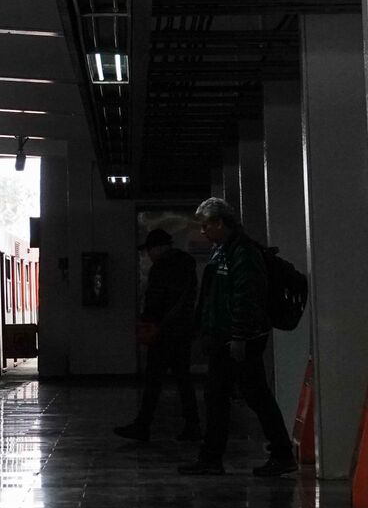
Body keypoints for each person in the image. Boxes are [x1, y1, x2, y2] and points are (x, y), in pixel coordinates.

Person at [178, 198, 297, 477]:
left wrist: (240, 337)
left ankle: (280, 454)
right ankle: (213, 458)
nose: (203, 231)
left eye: (207, 225)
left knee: (254, 396)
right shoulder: (224, 251)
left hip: (239, 339)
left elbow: (247, 296)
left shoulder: (243, 253)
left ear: (221, 223)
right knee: (220, 397)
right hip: (226, 338)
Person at [114, 228, 201, 442]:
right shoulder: (187, 264)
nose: (148, 255)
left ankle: (143, 426)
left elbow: (156, 300)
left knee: (153, 381)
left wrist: (149, 321)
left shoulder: (162, 267)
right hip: (183, 330)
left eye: (149, 250)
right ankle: (193, 426)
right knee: (183, 379)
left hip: (164, 332)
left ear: (157, 248)